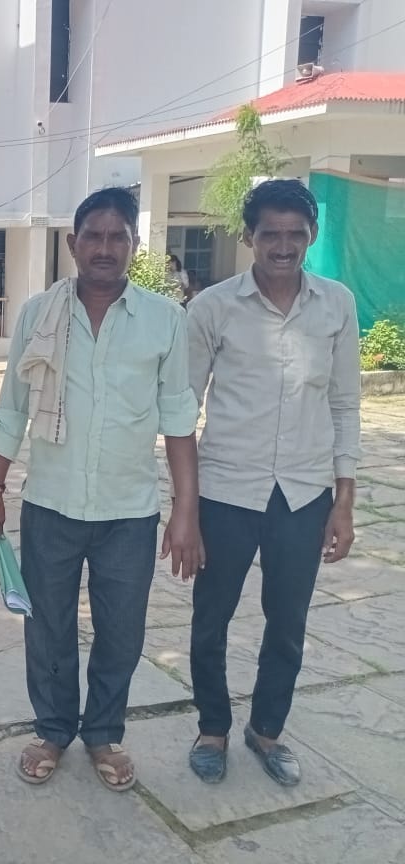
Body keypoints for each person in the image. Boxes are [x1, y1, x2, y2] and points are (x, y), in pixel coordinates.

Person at [0, 187, 203, 792]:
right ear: (73, 244)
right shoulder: (39, 315)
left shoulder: (165, 319)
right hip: (51, 504)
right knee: (47, 625)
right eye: (93, 236)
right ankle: (52, 730)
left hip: (129, 510)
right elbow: (12, 407)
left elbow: (179, 420)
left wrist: (186, 510)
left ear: (133, 243)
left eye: (117, 236)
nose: (105, 247)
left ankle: (103, 733)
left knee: (121, 630)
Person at [186, 179, 361, 787]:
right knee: (211, 618)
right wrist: (185, 508)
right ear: (249, 237)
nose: (283, 246)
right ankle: (212, 728)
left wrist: (344, 501)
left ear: (311, 235)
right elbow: (182, 409)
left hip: (304, 495)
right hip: (225, 491)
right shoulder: (212, 308)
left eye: (295, 234)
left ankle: (266, 730)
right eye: (270, 234)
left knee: (287, 623)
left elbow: (345, 405)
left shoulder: (336, 304)